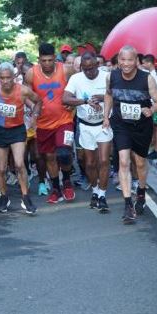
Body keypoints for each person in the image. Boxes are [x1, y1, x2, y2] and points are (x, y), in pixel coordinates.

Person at [103, 46, 157, 224]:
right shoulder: (111, 76)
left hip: (142, 125)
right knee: (123, 161)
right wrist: (106, 116)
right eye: (123, 60)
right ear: (119, 60)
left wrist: (150, 109)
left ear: (136, 61)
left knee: (140, 162)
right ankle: (128, 204)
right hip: (121, 124)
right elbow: (108, 95)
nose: (126, 64)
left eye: (130, 60)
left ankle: (141, 192)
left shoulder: (147, 78)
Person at [24, 43, 77, 204]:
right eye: (43, 61)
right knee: (49, 156)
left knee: (64, 153)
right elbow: (25, 94)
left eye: (50, 60)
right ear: (38, 59)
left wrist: (72, 101)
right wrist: (34, 107)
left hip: (65, 120)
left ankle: (67, 182)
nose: (47, 64)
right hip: (44, 123)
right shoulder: (31, 74)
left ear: (55, 58)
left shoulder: (65, 70)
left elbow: (77, 86)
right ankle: (56, 188)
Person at [0, 62, 41, 214]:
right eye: (2, 78)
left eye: (8, 78)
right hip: (0, 130)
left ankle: (25, 197)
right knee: (1, 167)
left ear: (14, 77)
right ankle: (4, 196)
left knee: (19, 163)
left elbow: (38, 101)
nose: (5, 81)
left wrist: (35, 115)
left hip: (17, 130)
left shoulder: (23, 90)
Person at [62, 52, 112, 212]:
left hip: (103, 124)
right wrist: (85, 101)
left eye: (91, 68)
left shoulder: (107, 76)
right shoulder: (76, 79)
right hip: (85, 126)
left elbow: (116, 96)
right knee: (89, 163)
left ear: (98, 65)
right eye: (85, 69)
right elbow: (65, 98)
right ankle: (95, 190)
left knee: (103, 161)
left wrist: (103, 97)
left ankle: (103, 195)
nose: (89, 72)